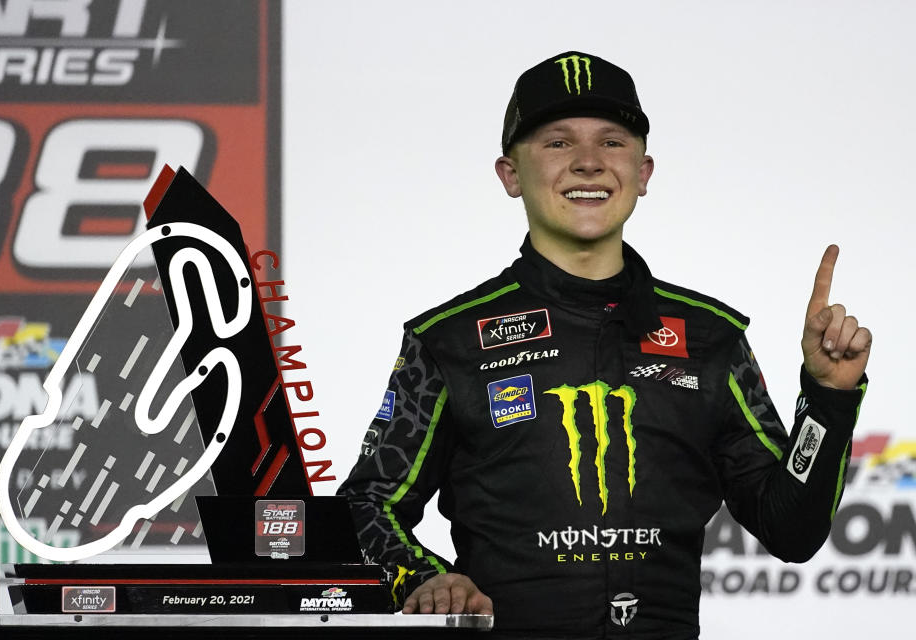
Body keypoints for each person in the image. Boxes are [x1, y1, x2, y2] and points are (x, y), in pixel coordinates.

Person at [337, 51, 871, 638]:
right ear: (510, 175)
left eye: (613, 142)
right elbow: (368, 505)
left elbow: (791, 530)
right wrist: (423, 577)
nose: (588, 164)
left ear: (643, 173)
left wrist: (828, 397)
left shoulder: (713, 338)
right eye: (558, 143)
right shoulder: (449, 340)